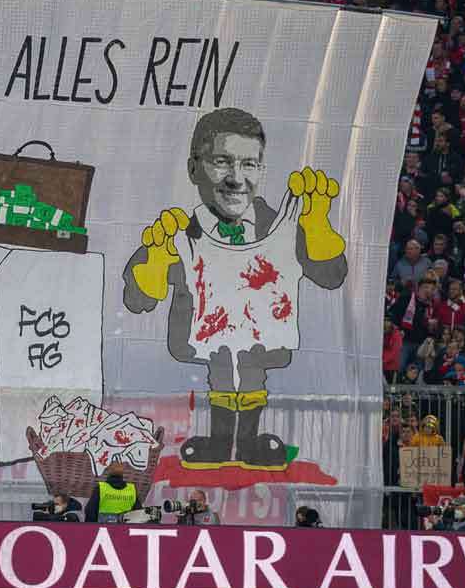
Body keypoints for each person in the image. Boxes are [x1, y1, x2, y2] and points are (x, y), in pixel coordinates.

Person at [123, 108, 348, 471]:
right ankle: (219, 440)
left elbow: (332, 275)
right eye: (222, 162)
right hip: (208, 339)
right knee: (223, 369)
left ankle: (247, 442)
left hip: (261, 337)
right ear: (194, 169)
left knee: (251, 367)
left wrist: (317, 226)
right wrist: (155, 263)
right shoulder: (180, 231)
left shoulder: (283, 227)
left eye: (249, 164)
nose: (235, 178)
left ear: (261, 170)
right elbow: (137, 299)